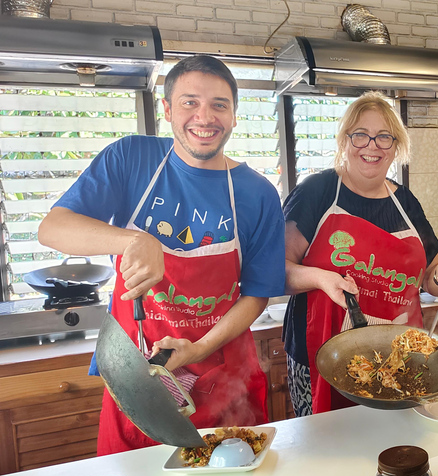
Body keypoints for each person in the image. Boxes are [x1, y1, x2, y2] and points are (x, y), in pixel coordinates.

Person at [38, 55, 285, 454]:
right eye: (190, 102)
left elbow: (258, 293)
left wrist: (200, 348)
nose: (204, 117)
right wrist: (132, 241)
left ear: (235, 116)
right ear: (167, 109)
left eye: (219, 105)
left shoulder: (256, 193)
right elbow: (53, 228)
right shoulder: (130, 159)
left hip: (223, 375)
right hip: (138, 379)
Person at [282, 91, 438, 416]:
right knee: (330, 453)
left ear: (396, 147)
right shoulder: (317, 193)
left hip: (397, 356)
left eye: (384, 137)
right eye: (361, 135)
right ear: (344, 141)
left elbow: (432, 279)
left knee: (398, 450)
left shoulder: (406, 202)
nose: (372, 146)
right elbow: (275, 272)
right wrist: (319, 277)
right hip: (321, 355)